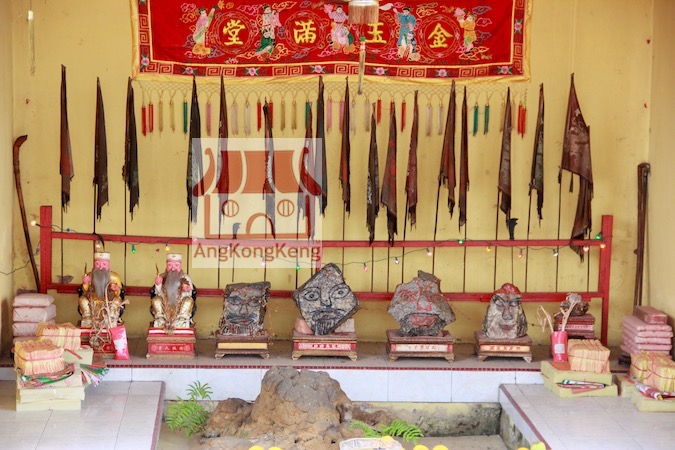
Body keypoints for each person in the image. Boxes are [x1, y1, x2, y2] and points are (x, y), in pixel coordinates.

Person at [78, 252, 126, 328]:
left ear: (108, 265)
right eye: (97, 264)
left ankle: (111, 318)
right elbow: (85, 290)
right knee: (82, 300)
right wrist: (85, 283)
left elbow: (119, 292)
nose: (100, 267)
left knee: (117, 300)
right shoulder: (90, 275)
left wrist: (115, 288)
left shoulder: (114, 276)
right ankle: (88, 318)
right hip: (93, 299)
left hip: (109, 299)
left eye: (104, 264)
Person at [150, 254, 197, 329]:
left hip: (180, 306)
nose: (173, 268)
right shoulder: (162, 277)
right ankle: (161, 319)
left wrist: (186, 290)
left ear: (181, 266)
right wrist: (158, 284)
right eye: (170, 265)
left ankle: (182, 320)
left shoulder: (186, 277)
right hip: (165, 306)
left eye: (176, 265)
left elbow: (190, 294)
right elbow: (157, 293)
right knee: (156, 300)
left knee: (189, 300)